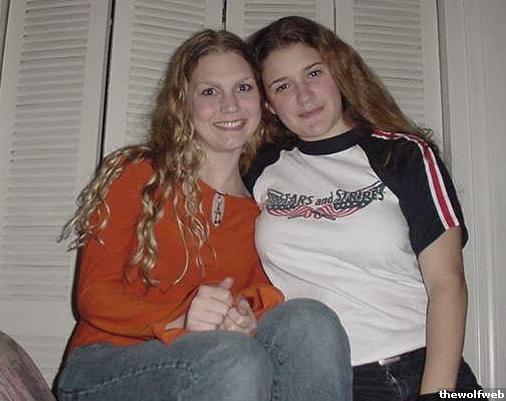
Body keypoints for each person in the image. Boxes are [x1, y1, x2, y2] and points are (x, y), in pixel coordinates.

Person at [55, 29, 352, 401]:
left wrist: (243, 314)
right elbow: (94, 295)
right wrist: (178, 318)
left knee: (310, 320)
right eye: (210, 92)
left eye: (243, 88)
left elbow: (262, 294)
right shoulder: (137, 174)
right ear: (183, 103)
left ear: (263, 102)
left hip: (218, 359)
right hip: (105, 364)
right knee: (234, 358)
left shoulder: (265, 211)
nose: (230, 105)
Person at [245, 16, 484, 401]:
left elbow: (447, 282)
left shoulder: (403, 154)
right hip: (323, 378)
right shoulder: (259, 169)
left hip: (423, 366)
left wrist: (435, 393)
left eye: (314, 73)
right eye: (282, 86)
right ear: (269, 105)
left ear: (339, 73)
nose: (304, 95)